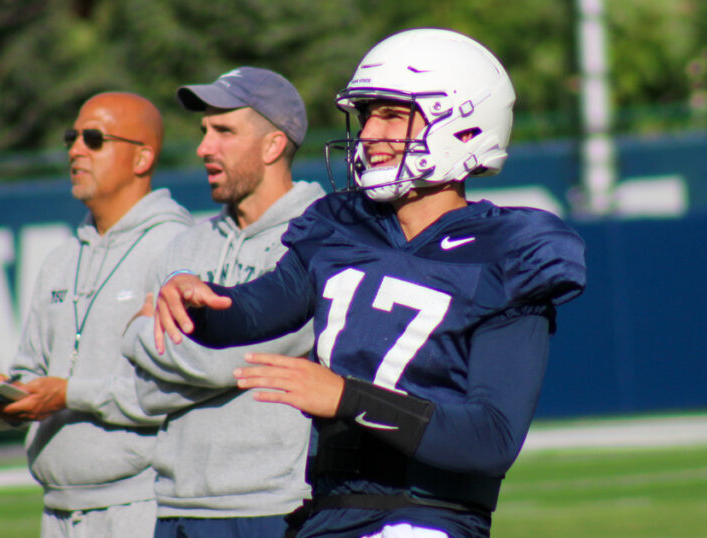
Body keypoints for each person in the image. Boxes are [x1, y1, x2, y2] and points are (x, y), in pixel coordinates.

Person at [153, 28, 587, 538]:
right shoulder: (341, 224)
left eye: (392, 114)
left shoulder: (509, 251)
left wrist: (349, 398)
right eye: (366, 115)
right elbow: (254, 310)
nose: (371, 133)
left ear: (465, 123)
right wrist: (197, 302)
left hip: (430, 517)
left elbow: (491, 439)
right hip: (328, 513)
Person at [121, 67, 325, 537]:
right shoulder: (184, 247)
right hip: (175, 507)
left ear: (273, 146)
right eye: (203, 131)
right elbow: (144, 393)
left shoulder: (318, 239)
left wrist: (138, 332)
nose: (203, 148)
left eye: (224, 132)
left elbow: (230, 361)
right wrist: (169, 354)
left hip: (272, 506)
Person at [0, 92, 194, 537]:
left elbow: (177, 388)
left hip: (141, 507)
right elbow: (32, 364)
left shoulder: (178, 250)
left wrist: (69, 394)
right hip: (56, 511)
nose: (75, 149)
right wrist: (11, 390)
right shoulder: (60, 258)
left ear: (142, 158)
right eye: (71, 137)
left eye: (94, 138)